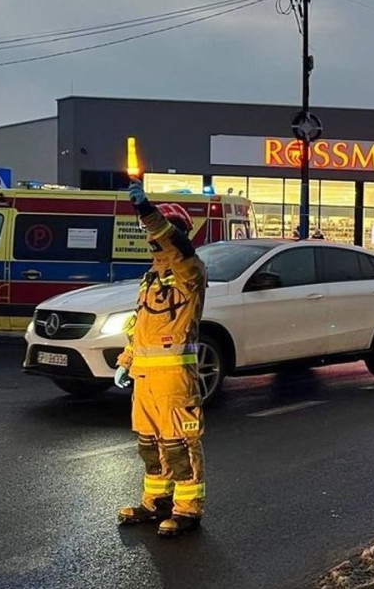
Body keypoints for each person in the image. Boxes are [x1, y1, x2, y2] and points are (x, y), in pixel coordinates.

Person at [115, 181, 208, 537]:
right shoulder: (150, 278)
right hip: (146, 379)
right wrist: (126, 361)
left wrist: (147, 211)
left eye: (154, 231)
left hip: (174, 380)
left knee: (179, 446)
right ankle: (157, 502)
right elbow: (141, 327)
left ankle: (187, 510)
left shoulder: (190, 272)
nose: (150, 238)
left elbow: (176, 247)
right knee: (150, 446)